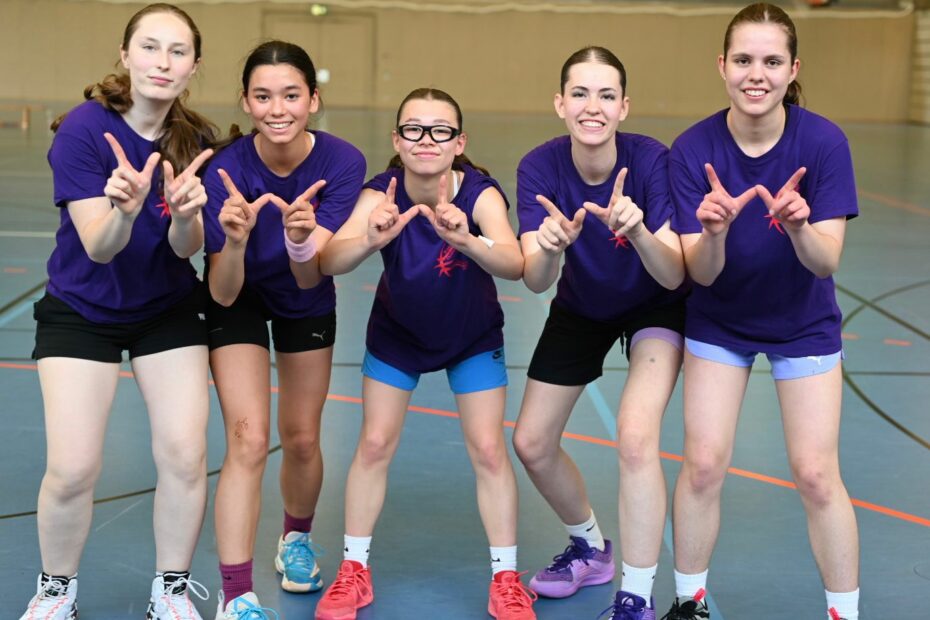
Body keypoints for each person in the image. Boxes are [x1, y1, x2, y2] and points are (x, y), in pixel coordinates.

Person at [22, 3, 216, 619]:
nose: (163, 62)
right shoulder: (83, 130)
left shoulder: (196, 140)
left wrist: (185, 214)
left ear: (193, 66)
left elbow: (191, 250)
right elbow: (99, 247)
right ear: (126, 56)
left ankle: (171, 591)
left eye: (177, 51)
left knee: (185, 455)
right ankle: (56, 592)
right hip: (82, 308)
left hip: (166, 309)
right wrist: (127, 210)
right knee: (73, 468)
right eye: (151, 47)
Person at [666, 4, 860, 619]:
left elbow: (826, 263)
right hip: (720, 321)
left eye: (772, 61)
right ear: (722, 65)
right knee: (701, 465)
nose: (758, 73)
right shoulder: (693, 147)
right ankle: (688, 602)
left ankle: (843, 612)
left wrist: (799, 225)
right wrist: (715, 230)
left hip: (802, 323)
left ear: (792, 68)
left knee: (815, 474)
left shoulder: (824, 141)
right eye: (744, 60)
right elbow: (700, 272)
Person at [315, 87, 536, 620]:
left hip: (471, 336)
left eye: (441, 130)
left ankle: (506, 577)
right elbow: (329, 260)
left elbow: (516, 264)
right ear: (397, 139)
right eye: (413, 128)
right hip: (398, 335)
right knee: (373, 444)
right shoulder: (379, 195)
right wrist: (368, 239)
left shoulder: (478, 195)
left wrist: (467, 241)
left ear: (459, 142)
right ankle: (354, 570)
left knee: (488, 449)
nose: (426, 139)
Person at [511, 47, 687, 620]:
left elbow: (674, 271)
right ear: (560, 103)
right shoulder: (539, 167)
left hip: (654, 306)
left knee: (636, 437)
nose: (593, 106)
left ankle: (634, 596)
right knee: (531, 443)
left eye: (606, 95)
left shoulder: (651, 160)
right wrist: (551, 248)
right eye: (580, 94)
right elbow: (535, 279)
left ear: (623, 106)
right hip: (581, 304)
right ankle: (590, 546)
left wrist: (638, 233)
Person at [201, 40, 366, 618]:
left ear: (313, 100)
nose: (278, 108)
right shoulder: (223, 168)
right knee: (247, 438)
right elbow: (220, 291)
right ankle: (236, 593)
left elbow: (307, 276)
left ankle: (295, 537)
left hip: (304, 294)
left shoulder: (343, 163)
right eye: (263, 95)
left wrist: (299, 237)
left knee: (300, 438)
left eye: (292, 95)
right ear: (245, 101)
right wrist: (238, 241)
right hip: (238, 294)